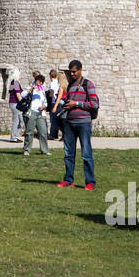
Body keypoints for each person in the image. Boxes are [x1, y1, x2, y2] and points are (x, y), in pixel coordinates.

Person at [54, 59, 98, 189]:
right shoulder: (71, 86)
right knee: (68, 154)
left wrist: (77, 104)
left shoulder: (88, 84)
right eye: (71, 72)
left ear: (80, 70)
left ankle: (90, 182)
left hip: (84, 123)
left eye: (74, 71)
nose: (72, 74)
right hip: (70, 123)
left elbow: (94, 104)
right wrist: (67, 106)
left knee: (86, 154)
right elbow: (70, 102)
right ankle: (68, 179)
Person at [21, 71, 51, 156]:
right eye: (39, 81)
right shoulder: (31, 88)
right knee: (29, 131)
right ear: (36, 81)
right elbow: (23, 95)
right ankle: (26, 149)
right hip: (32, 112)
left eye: (41, 82)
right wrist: (31, 89)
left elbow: (45, 102)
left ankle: (44, 150)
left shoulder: (42, 90)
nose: (40, 83)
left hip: (40, 113)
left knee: (43, 132)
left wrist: (44, 106)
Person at [5, 68, 24, 142]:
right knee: (16, 121)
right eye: (20, 74)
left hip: (14, 103)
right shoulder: (15, 83)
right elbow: (18, 95)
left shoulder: (13, 82)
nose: (21, 75)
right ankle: (13, 137)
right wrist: (23, 103)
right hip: (15, 104)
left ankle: (15, 135)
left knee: (21, 121)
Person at [47, 68, 62, 140]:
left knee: (53, 119)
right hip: (58, 102)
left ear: (50, 75)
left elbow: (51, 93)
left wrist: (48, 94)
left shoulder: (52, 83)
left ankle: (53, 135)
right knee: (56, 118)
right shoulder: (58, 82)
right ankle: (55, 134)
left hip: (53, 102)